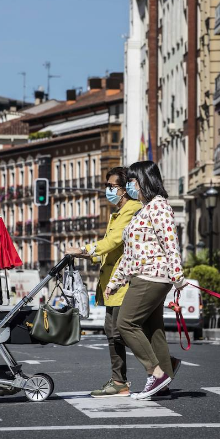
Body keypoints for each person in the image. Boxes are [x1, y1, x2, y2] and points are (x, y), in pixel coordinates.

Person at [105, 160, 185, 400]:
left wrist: (178, 274)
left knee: (126, 323)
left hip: (152, 275)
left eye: (130, 181)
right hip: (145, 274)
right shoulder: (144, 209)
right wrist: (115, 281)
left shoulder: (159, 207)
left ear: (142, 181)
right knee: (153, 329)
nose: (128, 186)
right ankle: (165, 380)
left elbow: (170, 241)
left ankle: (156, 373)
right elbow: (132, 253)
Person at [67, 167, 142, 398]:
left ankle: (160, 368)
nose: (108, 190)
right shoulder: (117, 213)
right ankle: (120, 380)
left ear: (123, 189)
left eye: (112, 186)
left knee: (123, 331)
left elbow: (113, 241)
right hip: (112, 283)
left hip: (124, 282)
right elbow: (111, 249)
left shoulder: (132, 210)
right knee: (113, 331)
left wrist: (84, 249)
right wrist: (87, 255)